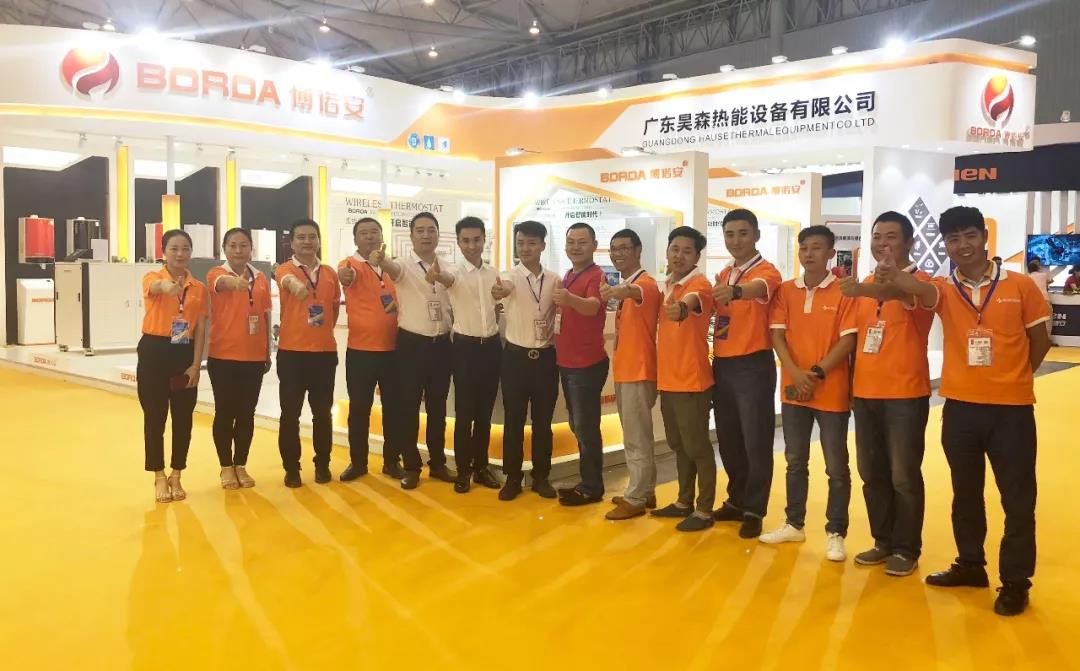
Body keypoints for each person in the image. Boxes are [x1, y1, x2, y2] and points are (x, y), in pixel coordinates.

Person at [883, 206, 1051, 616]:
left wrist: (1015, 377)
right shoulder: (944, 289)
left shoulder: (1020, 286)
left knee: (1018, 499)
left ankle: (1015, 582)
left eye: (970, 235)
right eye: (953, 239)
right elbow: (918, 290)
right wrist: (892, 268)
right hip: (959, 408)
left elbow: (1040, 340)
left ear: (984, 237)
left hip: (1011, 411)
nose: (963, 245)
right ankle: (971, 564)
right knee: (966, 494)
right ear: (945, 244)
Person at [838, 212, 934, 577]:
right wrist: (850, 386)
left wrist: (865, 288)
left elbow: (897, 292)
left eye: (891, 237)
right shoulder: (864, 283)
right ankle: (883, 540)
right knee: (871, 471)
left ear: (909, 242)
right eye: (877, 236)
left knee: (904, 475)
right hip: (866, 393)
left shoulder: (921, 282)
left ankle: (907, 548)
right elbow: (856, 338)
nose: (882, 244)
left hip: (905, 394)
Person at [763, 225, 857, 561]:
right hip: (793, 391)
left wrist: (815, 374)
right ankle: (794, 523)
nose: (808, 253)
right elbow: (777, 336)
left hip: (831, 390)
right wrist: (795, 373)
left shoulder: (845, 291)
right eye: (804, 247)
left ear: (831, 253)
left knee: (836, 466)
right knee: (794, 461)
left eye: (816, 247)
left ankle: (836, 532)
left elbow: (848, 340)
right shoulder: (786, 291)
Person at [709, 209, 783, 539]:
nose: (735, 240)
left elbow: (758, 288)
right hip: (723, 363)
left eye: (742, 233)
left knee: (756, 440)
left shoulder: (766, 271)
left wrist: (736, 292)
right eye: (729, 234)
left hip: (753, 365)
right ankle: (736, 500)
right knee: (729, 439)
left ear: (756, 235)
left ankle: (754, 509)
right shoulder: (725, 273)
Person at [370, 212, 456, 489]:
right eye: (420, 230)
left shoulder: (449, 267)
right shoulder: (403, 265)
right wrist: (381, 259)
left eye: (431, 230)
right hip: (411, 345)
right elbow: (391, 269)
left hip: (442, 345)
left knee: (438, 408)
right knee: (408, 408)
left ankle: (438, 464)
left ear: (438, 234)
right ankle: (411, 466)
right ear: (411, 236)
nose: (426, 235)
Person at [427, 216, 503, 493]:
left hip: (491, 347)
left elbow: (498, 305)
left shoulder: (494, 273)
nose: (472, 246)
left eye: (476, 240)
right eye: (466, 241)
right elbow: (446, 279)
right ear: (458, 243)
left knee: (484, 414)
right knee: (464, 414)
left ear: (484, 240)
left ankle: (482, 467)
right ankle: (463, 471)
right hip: (464, 349)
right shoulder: (453, 272)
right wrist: (437, 276)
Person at [650, 226, 717, 532]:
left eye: (686, 251)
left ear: (697, 256)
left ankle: (704, 510)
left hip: (692, 381)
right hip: (668, 380)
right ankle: (683, 501)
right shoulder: (667, 284)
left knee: (697, 447)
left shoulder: (699, 284)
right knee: (678, 445)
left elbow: (691, 301)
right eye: (674, 249)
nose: (679, 256)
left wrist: (680, 309)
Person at [138, 229, 209, 503]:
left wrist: (195, 365)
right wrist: (167, 288)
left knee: (183, 419)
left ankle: (177, 473)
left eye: (185, 249)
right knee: (155, 417)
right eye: (174, 249)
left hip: (183, 353)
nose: (180, 254)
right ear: (164, 252)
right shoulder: (152, 277)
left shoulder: (199, 288)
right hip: (154, 352)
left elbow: (200, 329)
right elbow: (155, 288)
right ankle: (158, 474)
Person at [491, 221, 560, 501]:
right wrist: (499, 292)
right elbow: (503, 289)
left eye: (531, 243)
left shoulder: (554, 279)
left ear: (542, 245)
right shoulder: (509, 276)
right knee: (514, 421)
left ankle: (541, 476)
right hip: (515, 359)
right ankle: (513, 478)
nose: (525, 248)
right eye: (520, 243)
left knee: (543, 422)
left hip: (546, 359)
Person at [275, 219, 341, 488]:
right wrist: (296, 285)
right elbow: (287, 281)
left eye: (312, 236)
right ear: (292, 243)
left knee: (323, 414)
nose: (307, 241)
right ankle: (292, 468)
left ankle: (322, 463)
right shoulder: (284, 269)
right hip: (292, 354)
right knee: (290, 415)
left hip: (324, 354)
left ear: (319, 241)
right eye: (300, 237)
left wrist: (321, 334)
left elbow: (334, 309)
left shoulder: (330, 273)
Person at [601, 229, 661, 520]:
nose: (618, 254)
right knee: (637, 434)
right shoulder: (630, 283)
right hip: (627, 369)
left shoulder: (644, 284)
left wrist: (619, 291)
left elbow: (636, 293)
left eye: (624, 248)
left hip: (639, 370)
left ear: (638, 250)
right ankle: (645, 490)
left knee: (636, 437)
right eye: (614, 249)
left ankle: (635, 497)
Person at [206, 228, 272, 490]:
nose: (238, 250)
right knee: (225, 412)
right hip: (223, 356)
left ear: (251, 248)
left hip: (253, 357)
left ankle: (241, 464)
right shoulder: (216, 273)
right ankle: (225, 466)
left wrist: (267, 352)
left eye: (243, 245)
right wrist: (236, 283)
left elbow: (265, 316)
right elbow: (222, 284)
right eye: (232, 245)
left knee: (247, 413)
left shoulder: (261, 278)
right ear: (224, 249)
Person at [337, 217, 402, 482]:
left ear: (381, 236)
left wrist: (384, 262)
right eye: (363, 233)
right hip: (361, 351)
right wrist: (345, 277)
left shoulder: (391, 266)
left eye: (374, 232)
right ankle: (358, 462)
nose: (370, 237)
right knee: (359, 409)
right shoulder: (349, 265)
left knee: (394, 409)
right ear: (355, 239)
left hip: (393, 350)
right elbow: (346, 277)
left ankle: (392, 461)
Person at [553, 222, 610, 507]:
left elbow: (592, 307)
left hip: (586, 364)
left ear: (594, 245)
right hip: (567, 362)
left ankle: (591, 486)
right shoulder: (569, 274)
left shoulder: (597, 276)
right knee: (578, 425)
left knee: (586, 428)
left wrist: (568, 298)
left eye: (582, 242)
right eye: (571, 242)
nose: (575, 247)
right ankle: (587, 481)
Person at [1027, 258, 1052, 336]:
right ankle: (1047, 337)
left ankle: (1033, 337)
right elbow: (1050, 280)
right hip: (1044, 298)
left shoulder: (1028, 277)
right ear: (1038, 268)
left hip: (1032, 300)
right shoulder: (1044, 275)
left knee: (1034, 320)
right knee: (1048, 319)